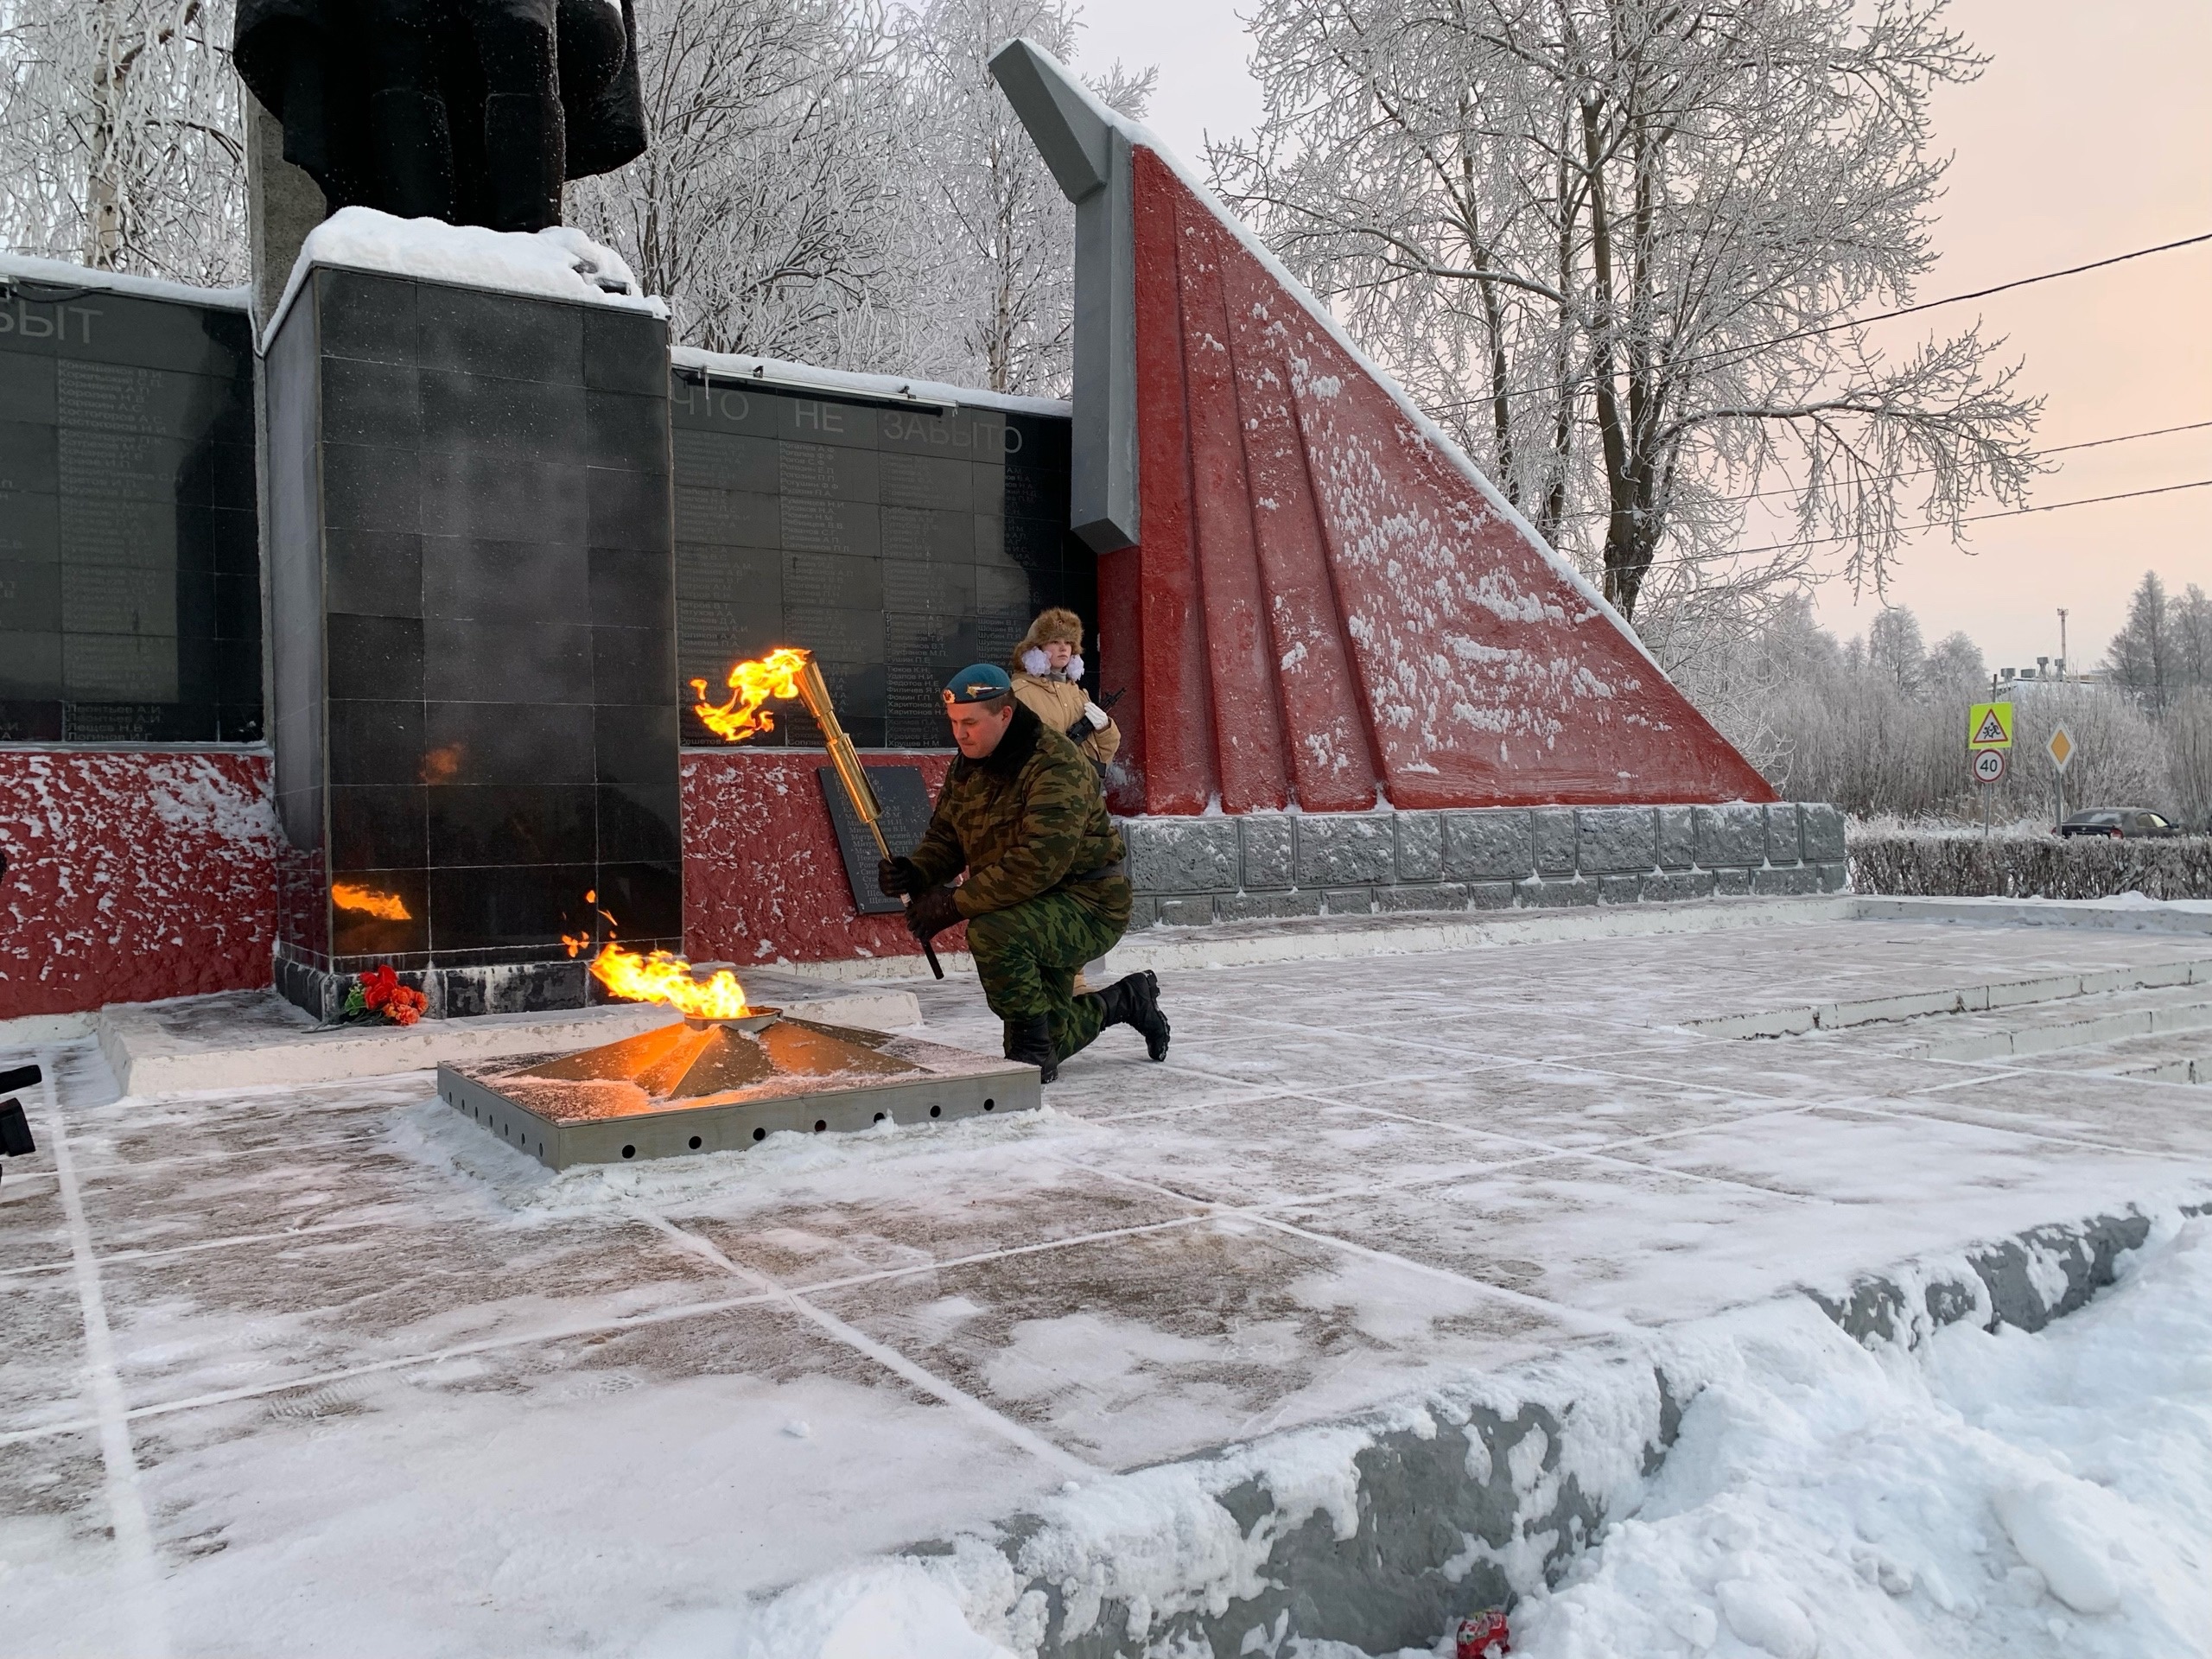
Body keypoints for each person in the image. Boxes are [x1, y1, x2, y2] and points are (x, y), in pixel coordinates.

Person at [880, 664, 1168, 1083]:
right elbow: (947, 838)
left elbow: (1038, 862)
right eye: (955, 723)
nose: (960, 734)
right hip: (1027, 904)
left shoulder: (1056, 764)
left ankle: (1032, 1054)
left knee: (994, 932)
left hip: (1087, 902)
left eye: (971, 723)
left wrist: (953, 904)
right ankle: (1126, 1000)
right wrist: (915, 871)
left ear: (1005, 715)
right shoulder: (968, 763)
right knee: (1054, 1032)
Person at [1009, 608, 1119, 772]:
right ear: (1036, 648)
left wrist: (1105, 729)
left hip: (1084, 789)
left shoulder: (1078, 694)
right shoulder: (1020, 693)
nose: (1063, 648)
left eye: (1068, 642)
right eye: (1055, 641)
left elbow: (1102, 756)